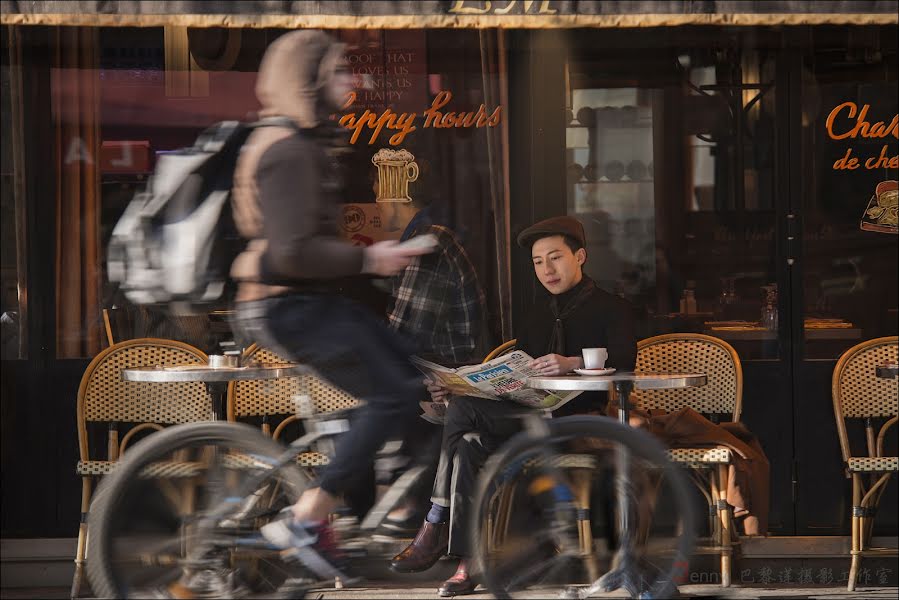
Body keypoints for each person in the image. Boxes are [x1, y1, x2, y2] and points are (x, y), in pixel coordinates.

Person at [228, 30, 432, 580]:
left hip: (308, 302)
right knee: (392, 394)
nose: (355, 80)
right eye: (342, 71)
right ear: (311, 79)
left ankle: (400, 506)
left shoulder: (300, 141)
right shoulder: (288, 151)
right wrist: (370, 259)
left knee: (411, 371)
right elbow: (293, 252)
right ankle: (310, 515)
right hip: (289, 305)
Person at [389, 215, 637, 596]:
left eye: (555, 258)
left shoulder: (612, 307)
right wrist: (462, 388)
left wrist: (570, 363)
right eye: (538, 262)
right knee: (467, 438)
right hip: (530, 419)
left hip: (579, 421)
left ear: (581, 256)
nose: (546, 269)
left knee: (465, 425)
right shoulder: (536, 312)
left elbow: (625, 360)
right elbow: (520, 372)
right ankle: (468, 560)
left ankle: (437, 523)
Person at [375, 186, 490, 537]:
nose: (378, 208)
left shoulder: (429, 243)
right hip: (440, 369)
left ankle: (414, 510)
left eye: (380, 198)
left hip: (449, 375)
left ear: (397, 198)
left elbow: (407, 328)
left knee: (384, 399)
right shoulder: (424, 239)